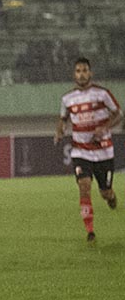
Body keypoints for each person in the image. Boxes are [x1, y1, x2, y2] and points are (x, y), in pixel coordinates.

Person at [55, 57, 122, 243]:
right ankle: (90, 231)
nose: (81, 74)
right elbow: (63, 118)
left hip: (103, 152)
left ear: (90, 73)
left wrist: (105, 127)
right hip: (80, 151)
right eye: (78, 71)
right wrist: (59, 131)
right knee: (84, 187)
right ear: (74, 74)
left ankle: (111, 196)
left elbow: (118, 113)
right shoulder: (67, 99)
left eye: (84, 70)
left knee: (104, 192)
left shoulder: (102, 94)